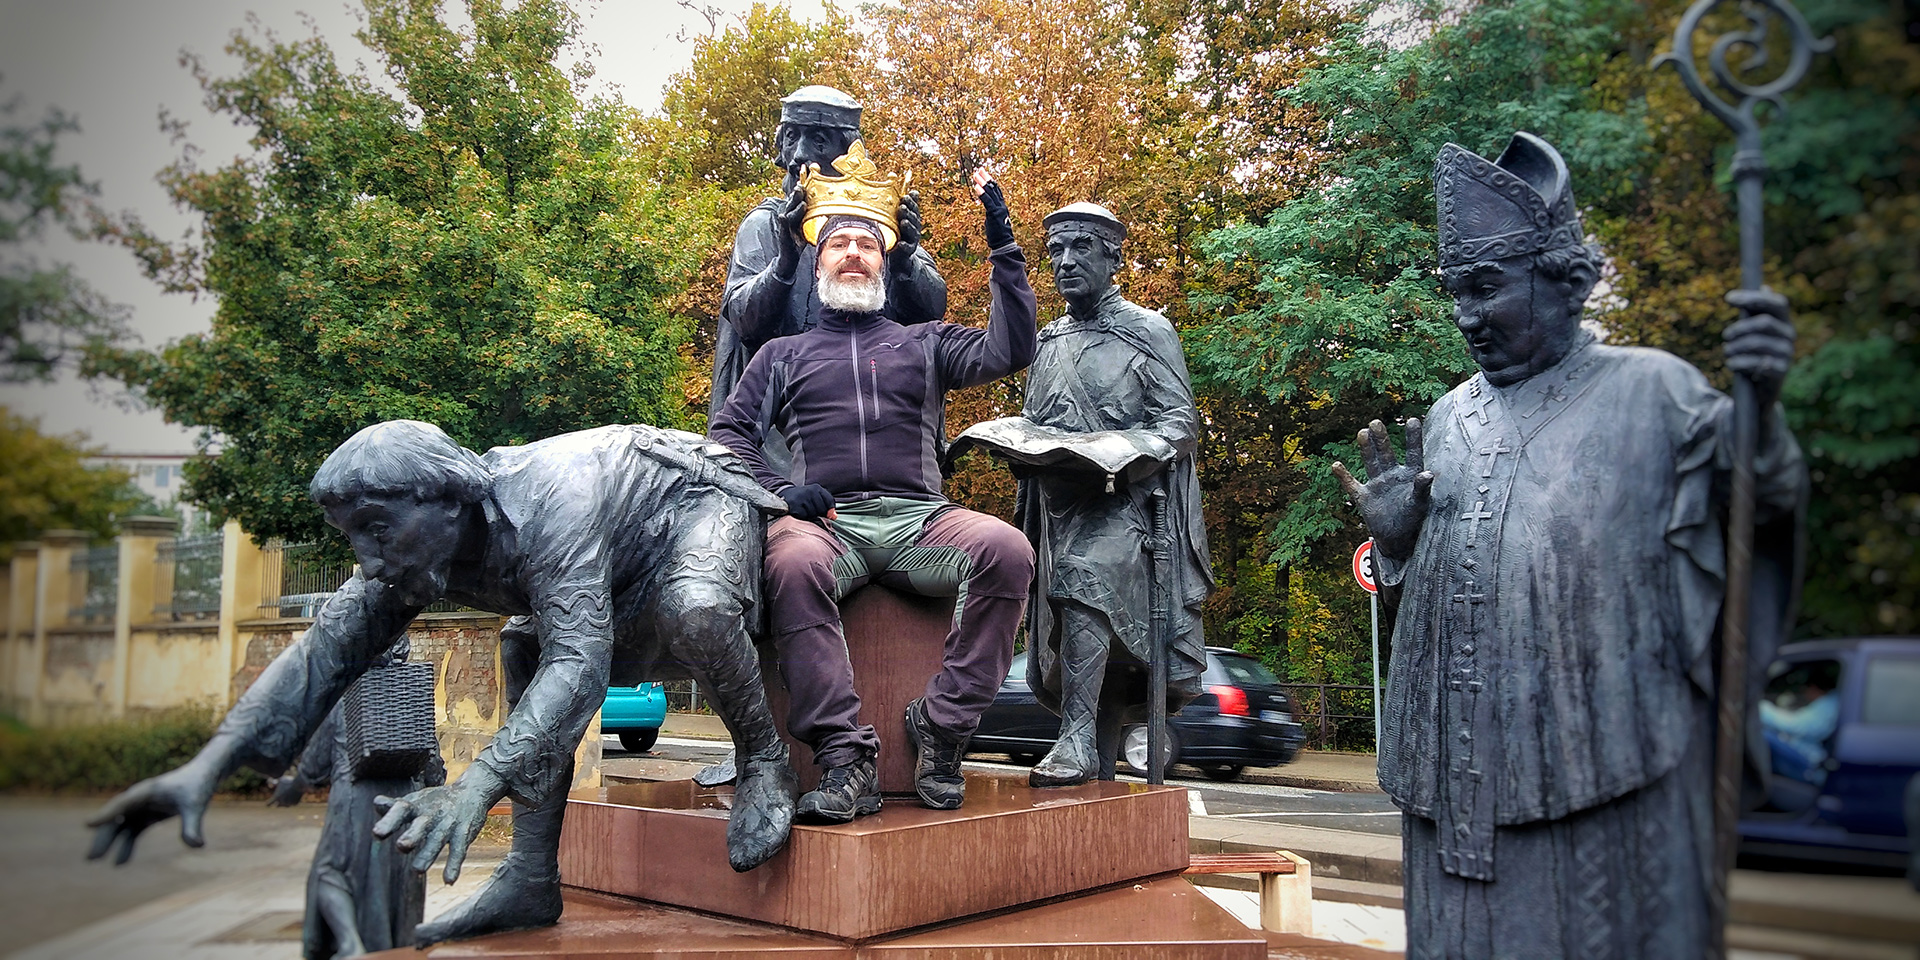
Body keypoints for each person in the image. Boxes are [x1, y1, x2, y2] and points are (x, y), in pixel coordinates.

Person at [1334, 132, 1806, 957]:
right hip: (1450, 770)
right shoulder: (1448, 418)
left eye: (1487, 287)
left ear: (1562, 279)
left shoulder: (1655, 392)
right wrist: (1401, 545)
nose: (1466, 316)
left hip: (1603, 765)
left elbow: (1751, 514)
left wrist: (1760, 411)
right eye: (1456, 290)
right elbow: (1439, 587)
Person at [87, 421, 799, 948]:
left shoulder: (555, 499)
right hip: (623, 559)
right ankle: (527, 878)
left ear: (445, 499)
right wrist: (204, 768)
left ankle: (764, 757)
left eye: (375, 528)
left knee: (695, 610)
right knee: (526, 644)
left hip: (697, 498)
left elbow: (582, 664)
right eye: (352, 537)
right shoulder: (413, 553)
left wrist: (475, 782)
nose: (367, 559)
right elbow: (321, 654)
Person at [710, 165, 1037, 821]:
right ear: (819, 260)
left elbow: (1012, 347)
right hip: (829, 526)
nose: (854, 253)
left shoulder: (926, 342)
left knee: (1007, 549)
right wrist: (781, 493)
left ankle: (942, 728)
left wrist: (1004, 244)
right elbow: (729, 435)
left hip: (921, 522)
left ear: (884, 260)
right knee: (792, 563)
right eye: (839, 243)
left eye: (866, 243)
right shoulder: (782, 354)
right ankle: (843, 758)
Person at [1011, 202, 1212, 787]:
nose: (1065, 262)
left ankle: (1075, 744)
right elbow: (1037, 422)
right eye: (1055, 251)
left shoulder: (1148, 331)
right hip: (1059, 507)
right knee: (1046, 595)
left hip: (1126, 509)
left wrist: (1116, 451)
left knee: (1081, 578)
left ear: (1113, 256)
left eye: (1081, 249)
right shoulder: (1048, 339)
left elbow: (1179, 425)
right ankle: (1091, 759)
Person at [712, 85, 947, 429]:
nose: (797, 156)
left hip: (874, 417)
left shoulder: (877, 228)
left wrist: (904, 261)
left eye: (818, 140)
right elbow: (744, 320)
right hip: (780, 423)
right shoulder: (764, 224)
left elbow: (932, 310)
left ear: (851, 151)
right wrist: (784, 263)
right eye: (791, 138)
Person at [269, 636, 446, 959]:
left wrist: (293, 788)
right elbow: (434, 768)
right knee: (400, 888)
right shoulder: (409, 695)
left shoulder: (341, 694)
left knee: (330, 871)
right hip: (404, 807)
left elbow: (314, 765)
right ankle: (393, 950)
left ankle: (350, 944)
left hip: (355, 801)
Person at [1760, 675, 1839, 785]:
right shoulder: (1830, 702)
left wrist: (1763, 709)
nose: (1806, 696)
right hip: (1810, 754)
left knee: (1763, 735)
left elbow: (1798, 726)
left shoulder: (1828, 704)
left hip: (1810, 762)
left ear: (1813, 688)